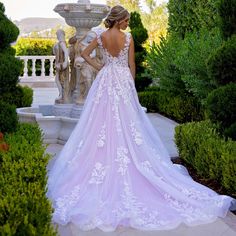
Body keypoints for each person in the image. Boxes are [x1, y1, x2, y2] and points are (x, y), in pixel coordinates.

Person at [47, 5, 235, 232]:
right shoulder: (127, 39)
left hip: (106, 79)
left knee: (101, 122)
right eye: (126, 20)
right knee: (126, 122)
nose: (128, 23)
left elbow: (85, 54)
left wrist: (101, 67)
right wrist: (130, 87)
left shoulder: (102, 36)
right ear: (119, 21)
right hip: (122, 80)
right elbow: (132, 65)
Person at [53, 29, 70, 104]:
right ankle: (61, 94)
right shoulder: (60, 43)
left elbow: (66, 52)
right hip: (59, 64)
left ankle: (61, 95)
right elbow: (54, 52)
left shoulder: (62, 43)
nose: (57, 36)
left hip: (61, 64)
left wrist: (65, 62)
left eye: (58, 34)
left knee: (60, 79)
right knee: (59, 79)